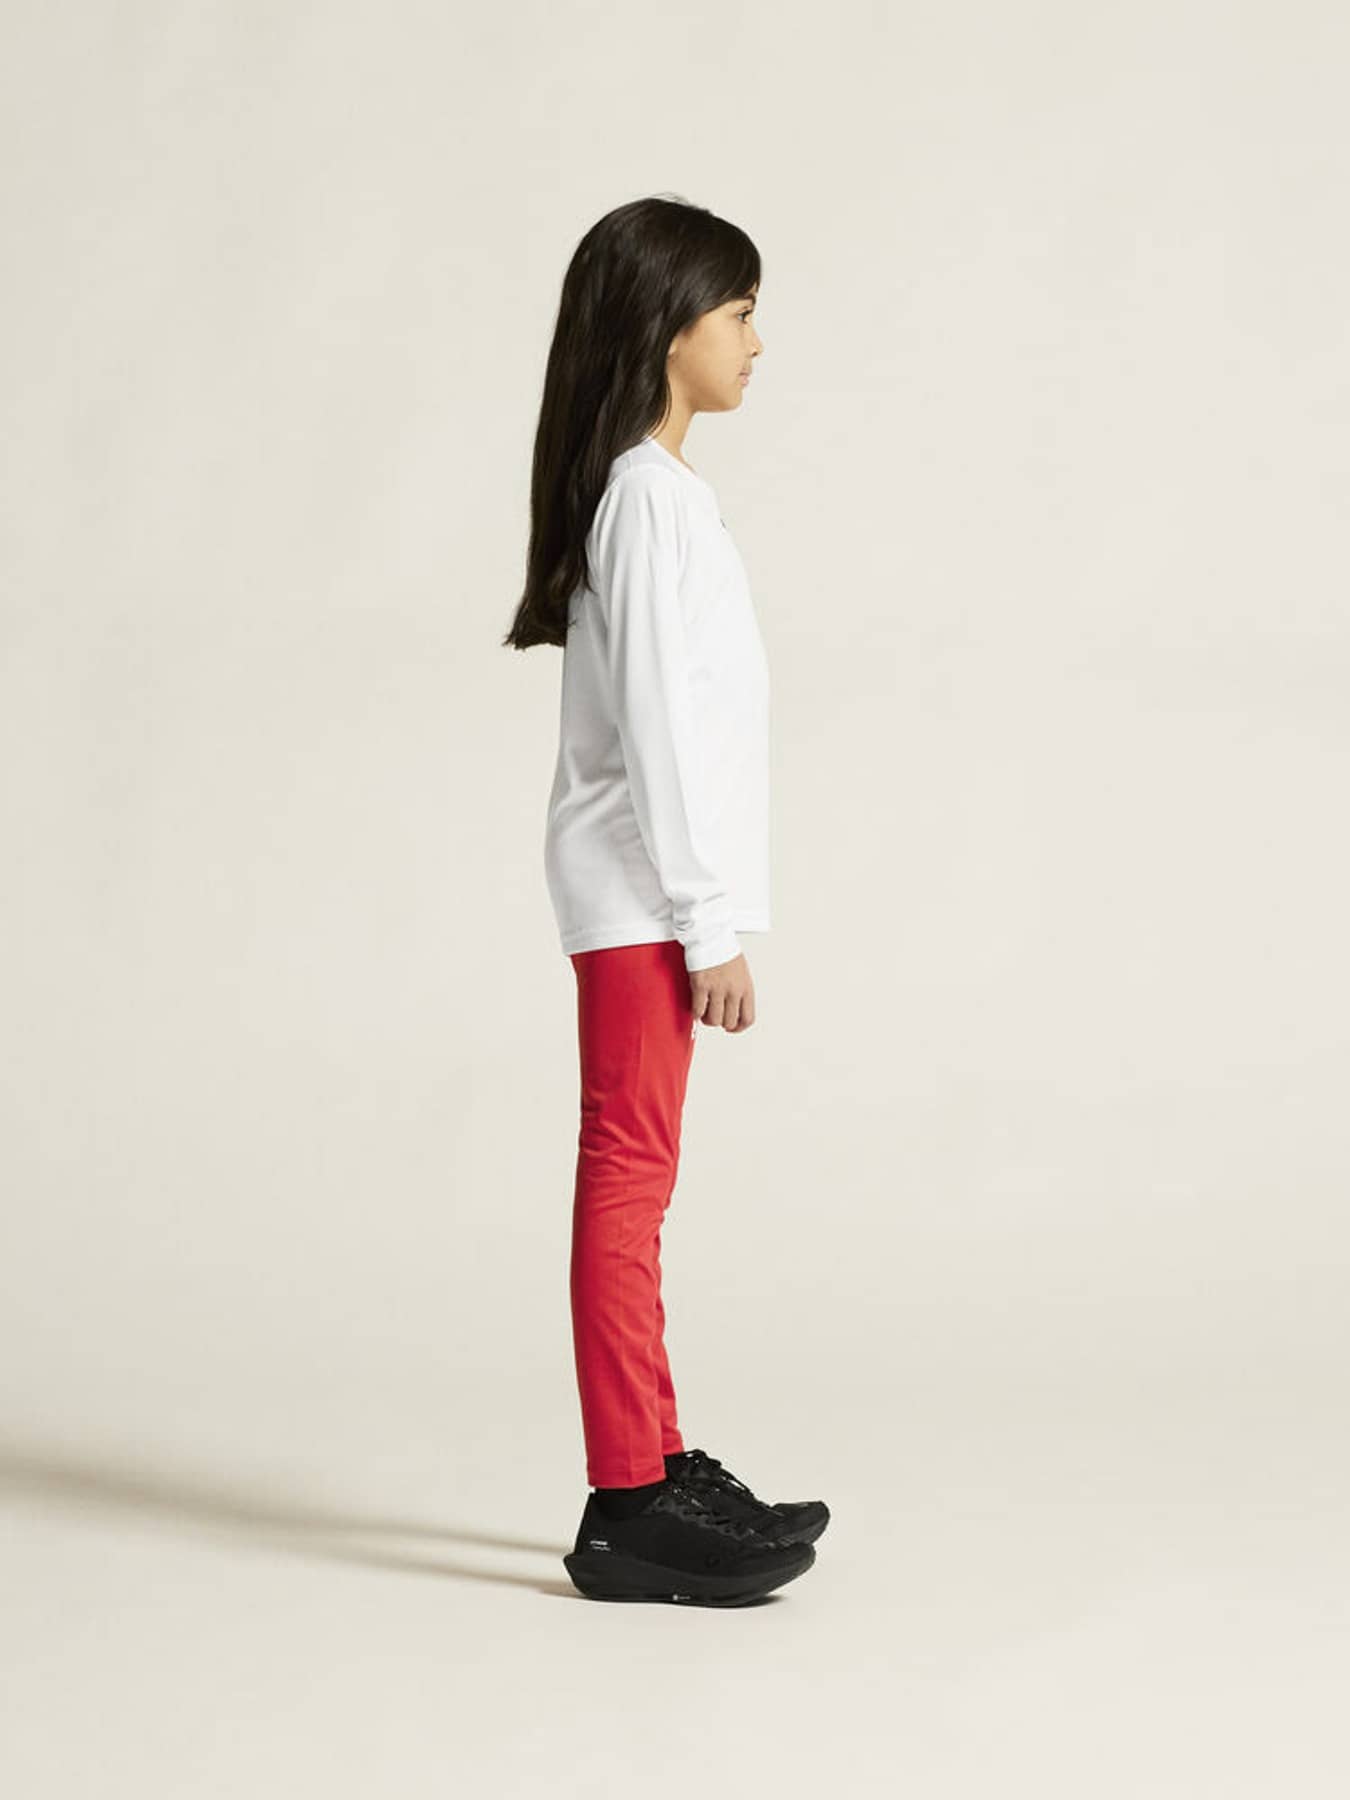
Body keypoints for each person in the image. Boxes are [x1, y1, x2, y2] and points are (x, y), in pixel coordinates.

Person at [503, 195, 830, 1606]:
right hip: (643, 898)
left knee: (635, 1183)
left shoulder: (661, 493)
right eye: (740, 311)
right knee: (627, 1184)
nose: (757, 340)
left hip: (650, 894)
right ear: (668, 325)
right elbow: (656, 724)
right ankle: (630, 1502)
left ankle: (653, 1462)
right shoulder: (643, 495)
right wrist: (708, 921)